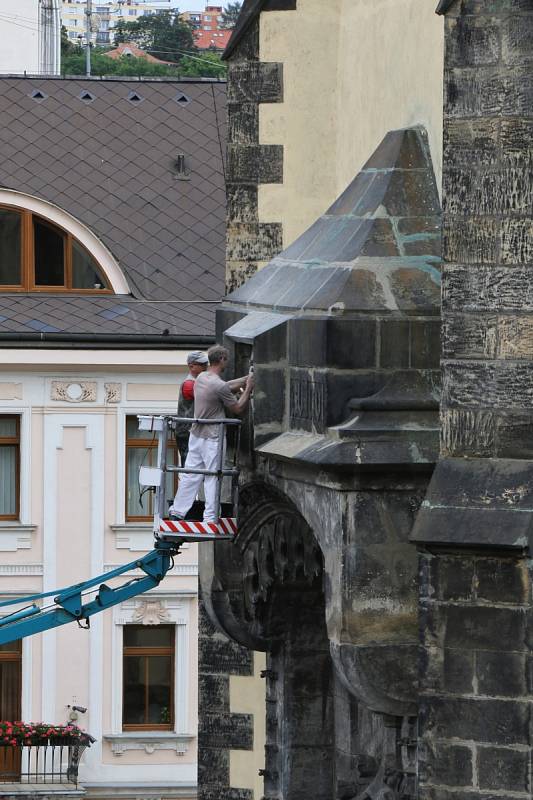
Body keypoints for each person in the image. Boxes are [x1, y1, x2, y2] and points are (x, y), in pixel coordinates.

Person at [168, 344, 254, 523]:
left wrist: (246, 378)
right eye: (226, 360)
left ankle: (177, 511)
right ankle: (210, 517)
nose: (226, 363)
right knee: (213, 477)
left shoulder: (201, 378)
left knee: (191, 474)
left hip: (196, 435)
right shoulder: (218, 385)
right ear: (222, 359)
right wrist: (249, 388)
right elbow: (237, 408)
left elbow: (225, 386)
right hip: (212, 438)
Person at [175, 351, 208, 467]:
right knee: (189, 467)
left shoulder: (196, 382)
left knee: (194, 466)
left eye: (206, 364)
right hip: (187, 432)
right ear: (191, 366)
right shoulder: (189, 384)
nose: (206, 367)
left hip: (191, 430)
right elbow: (209, 396)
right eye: (202, 364)